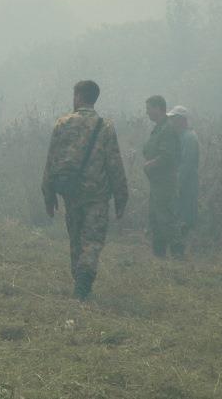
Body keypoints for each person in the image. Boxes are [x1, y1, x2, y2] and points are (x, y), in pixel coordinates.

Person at [42, 80, 128, 300]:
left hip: (70, 192)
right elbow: (114, 163)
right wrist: (121, 196)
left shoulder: (63, 123)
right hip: (97, 194)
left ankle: (79, 283)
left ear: (78, 96)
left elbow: (52, 159)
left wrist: (48, 194)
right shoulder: (105, 126)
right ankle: (83, 283)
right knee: (92, 240)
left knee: (76, 239)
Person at [143, 95, 183, 258]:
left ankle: (177, 252)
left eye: (149, 109)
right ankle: (159, 254)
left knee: (166, 217)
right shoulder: (159, 128)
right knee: (155, 217)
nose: (147, 113)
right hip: (157, 182)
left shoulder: (167, 129)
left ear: (158, 108)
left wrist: (150, 164)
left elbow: (167, 156)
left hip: (165, 183)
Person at [168, 105, 200, 239]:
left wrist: (178, 184)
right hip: (181, 181)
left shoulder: (189, 138)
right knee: (178, 211)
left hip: (187, 182)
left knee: (185, 213)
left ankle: (182, 244)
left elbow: (186, 164)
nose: (171, 122)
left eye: (174, 119)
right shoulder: (181, 136)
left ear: (181, 120)